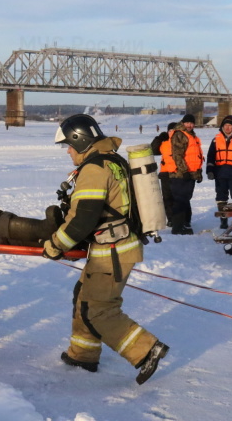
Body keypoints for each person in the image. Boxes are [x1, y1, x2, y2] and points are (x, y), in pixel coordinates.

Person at [41, 114, 169, 385]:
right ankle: (83, 354)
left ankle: (146, 350)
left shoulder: (94, 170)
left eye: (69, 145)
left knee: (98, 309)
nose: (67, 151)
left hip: (112, 252)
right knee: (84, 298)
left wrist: (55, 246)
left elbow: (83, 219)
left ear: (81, 141)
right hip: (115, 247)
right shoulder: (113, 161)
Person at [162, 114, 204, 235]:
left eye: (192, 123)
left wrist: (198, 174)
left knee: (185, 200)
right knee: (180, 200)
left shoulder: (191, 135)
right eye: (187, 123)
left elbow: (195, 156)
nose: (190, 125)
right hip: (181, 175)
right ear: (183, 123)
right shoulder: (179, 134)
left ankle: (183, 224)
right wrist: (184, 171)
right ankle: (178, 227)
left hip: (190, 174)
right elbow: (177, 155)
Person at [151, 122, 177, 227]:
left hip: (178, 173)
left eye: (174, 131)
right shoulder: (164, 141)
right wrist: (159, 138)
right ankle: (170, 218)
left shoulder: (181, 142)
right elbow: (153, 150)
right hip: (165, 173)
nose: (172, 133)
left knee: (178, 197)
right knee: (167, 198)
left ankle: (181, 218)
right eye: (170, 131)